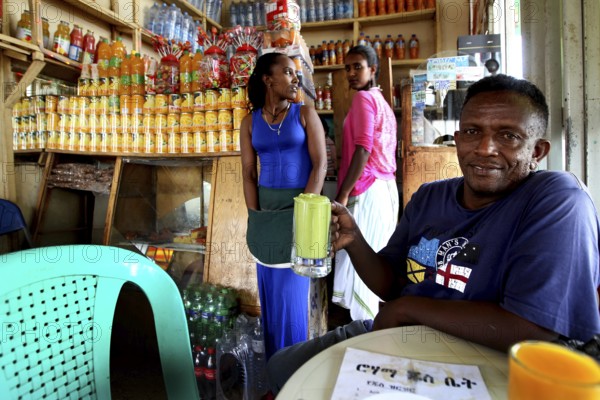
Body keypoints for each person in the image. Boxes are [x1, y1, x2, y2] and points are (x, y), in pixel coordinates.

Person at [266, 74, 600, 393]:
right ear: (457, 140)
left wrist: (408, 309)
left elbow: (533, 329)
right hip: (404, 336)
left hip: (486, 357)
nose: (485, 148)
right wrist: (353, 239)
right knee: (281, 366)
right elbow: (392, 283)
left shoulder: (556, 199)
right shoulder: (430, 197)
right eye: (472, 132)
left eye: (508, 136)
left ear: (538, 150)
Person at [240, 52, 327, 359]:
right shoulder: (249, 122)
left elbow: (320, 167)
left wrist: (305, 216)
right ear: (268, 78)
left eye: (296, 74)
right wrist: (254, 216)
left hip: (299, 211)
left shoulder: (305, 113)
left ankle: (293, 374)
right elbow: (249, 173)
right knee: (270, 298)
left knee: (291, 301)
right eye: (288, 72)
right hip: (265, 215)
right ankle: (275, 376)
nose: (295, 79)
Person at [333, 45, 400, 321]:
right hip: (385, 190)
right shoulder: (381, 101)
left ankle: (365, 338)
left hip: (368, 189)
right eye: (347, 68)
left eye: (357, 66)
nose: (351, 73)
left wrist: (344, 194)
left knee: (363, 265)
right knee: (374, 260)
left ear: (373, 69)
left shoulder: (363, 100)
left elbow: (363, 148)